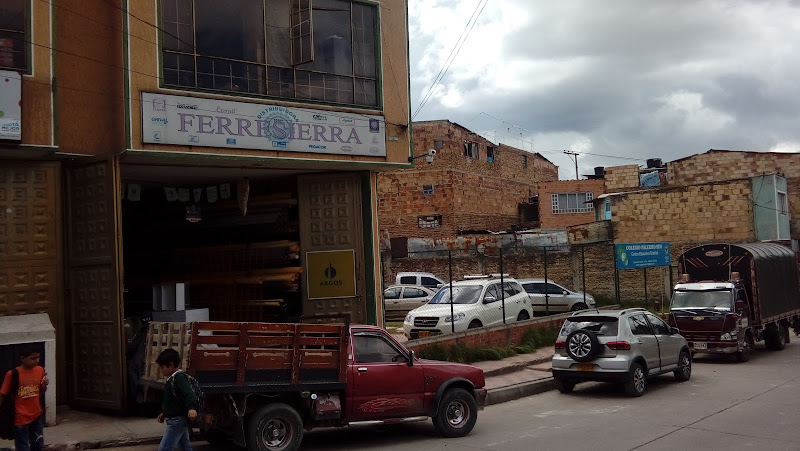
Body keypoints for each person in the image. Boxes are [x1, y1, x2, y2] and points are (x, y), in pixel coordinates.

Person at [0, 347, 48, 451]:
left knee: (38, 445)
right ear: (22, 358)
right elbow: (3, 394)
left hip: (36, 415)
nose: (36, 361)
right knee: (22, 446)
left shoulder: (40, 370)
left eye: (38, 357)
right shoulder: (12, 374)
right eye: (33, 358)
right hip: (20, 417)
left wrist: (44, 386)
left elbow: (40, 392)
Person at [155, 349, 197, 451]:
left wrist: (192, 408)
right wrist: (164, 413)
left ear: (171, 365)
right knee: (185, 447)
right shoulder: (172, 379)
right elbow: (173, 401)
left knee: (164, 448)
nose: (161, 370)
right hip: (175, 419)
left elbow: (189, 394)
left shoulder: (179, 378)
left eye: (162, 367)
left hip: (177, 421)